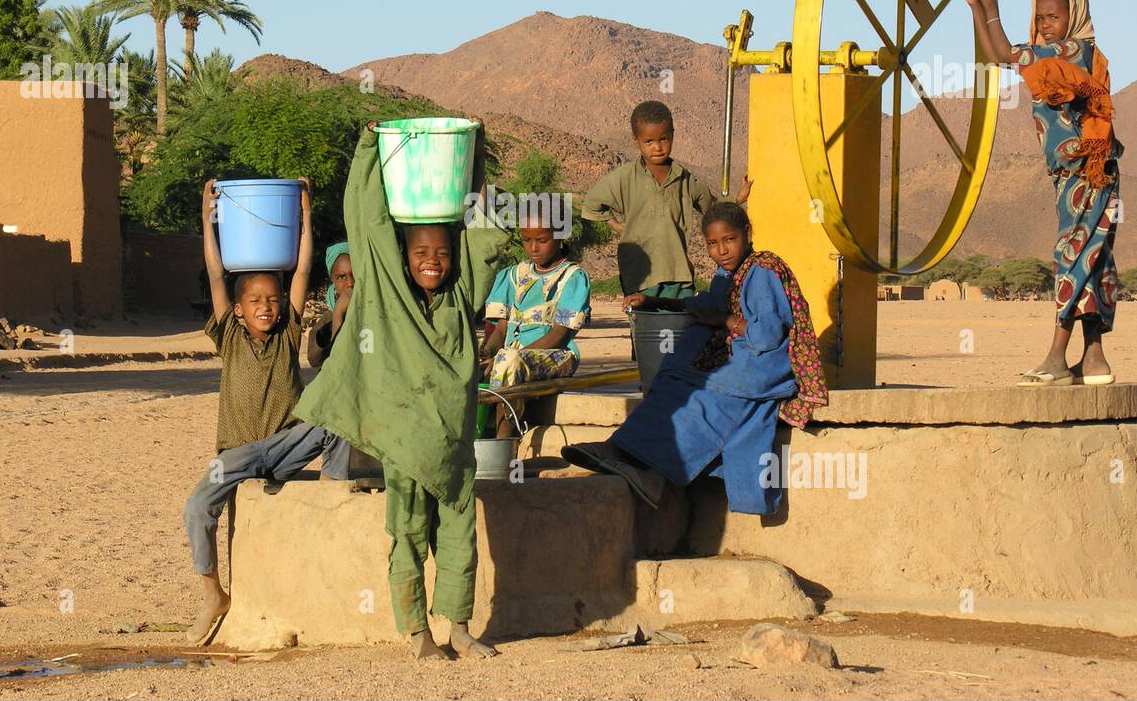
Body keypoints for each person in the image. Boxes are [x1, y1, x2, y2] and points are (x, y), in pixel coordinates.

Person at [294, 121, 509, 661]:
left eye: (440, 251)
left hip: (455, 449)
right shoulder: (384, 296)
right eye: (419, 253)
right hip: (404, 448)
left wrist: (475, 159)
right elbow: (366, 218)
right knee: (409, 534)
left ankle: (460, 628)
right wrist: (369, 148)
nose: (431, 260)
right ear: (403, 257)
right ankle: (419, 635)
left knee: (461, 536)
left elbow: (488, 232)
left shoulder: (463, 297)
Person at [563, 202, 828, 514]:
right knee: (672, 385)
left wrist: (724, 321)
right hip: (737, 356)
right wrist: (655, 301)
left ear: (747, 234)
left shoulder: (764, 271)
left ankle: (642, 465)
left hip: (763, 366)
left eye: (729, 240)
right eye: (713, 244)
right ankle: (624, 451)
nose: (722, 251)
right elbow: (705, 305)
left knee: (701, 402)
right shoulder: (725, 274)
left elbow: (766, 336)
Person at [182, 177, 350, 645]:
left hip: (283, 446)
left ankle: (331, 498)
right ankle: (214, 595)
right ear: (236, 311)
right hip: (237, 454)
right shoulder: (229, 337)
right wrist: (207, 218)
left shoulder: (286, 334)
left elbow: (300, 269)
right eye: (254, 301)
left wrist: (305, 214)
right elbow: (217, 275)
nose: (266, 307)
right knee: (197, 507)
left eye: (272, 301)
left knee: (334, 420)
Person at [962, 0, 1122, 386]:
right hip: (1080, 174)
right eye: (1041, 17)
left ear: (1074, 16)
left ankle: (1055, 357)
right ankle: (1094, 359)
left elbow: (1005, 53)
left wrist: (990, 5)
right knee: (1094, 256)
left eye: (1054, 16)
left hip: (1088, 172)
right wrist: (976, 8)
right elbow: (998, 57)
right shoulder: (1053, 55)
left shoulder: (1073, 51)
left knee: (1072, 252)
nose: (1046, 23)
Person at [581, 100, 749, 310]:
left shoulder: (684, 178)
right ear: (636, 141)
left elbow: (712, 207)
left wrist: (737, 199)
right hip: (640, 275)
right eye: (649, 141)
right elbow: (592, 203)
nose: (658, 147)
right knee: (646, 334)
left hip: (677, 272)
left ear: (673, 135)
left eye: (664, 139)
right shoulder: (624, 177)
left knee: (679, 329)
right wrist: (616, 225)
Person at [480, 215, 592, 440]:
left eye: (542, 240)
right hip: (509, 356)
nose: (533, 248)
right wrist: (486, 353)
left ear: (560, 237)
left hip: (555, 356)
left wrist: (508, 356)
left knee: (508, 362)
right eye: (526, 240)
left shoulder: (572, 277)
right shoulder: (512, 276)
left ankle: (504, 441)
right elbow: (502, 329)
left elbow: (559, 335)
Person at [307, 241, 354, 367]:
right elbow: (315, 359)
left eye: (355, 273)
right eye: (341, 277)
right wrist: (337, 314)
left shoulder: (376, 312)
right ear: (332, 280)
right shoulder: (327, 320)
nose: (350, 283)